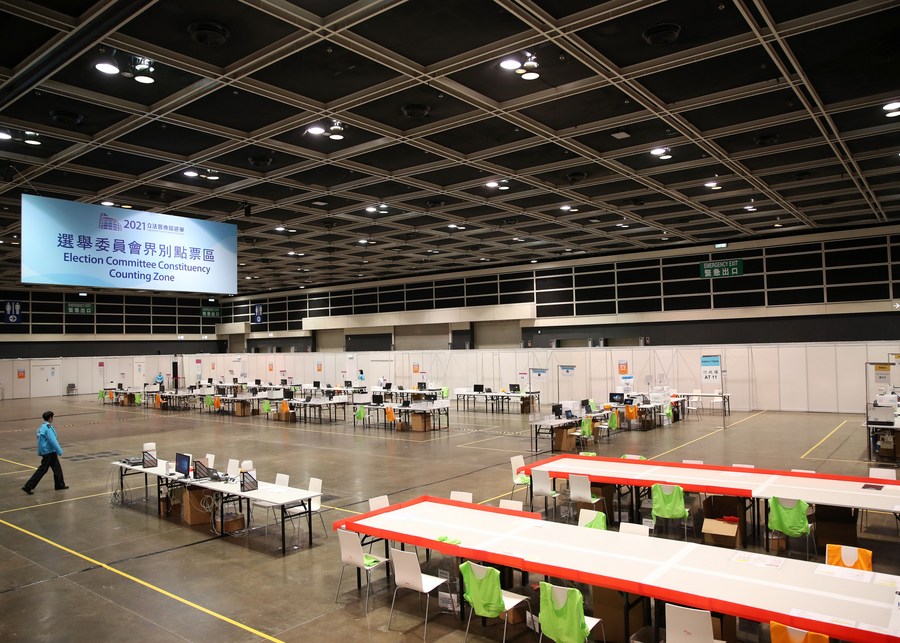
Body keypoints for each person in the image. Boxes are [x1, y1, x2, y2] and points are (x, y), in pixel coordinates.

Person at [22, 411, 68, 494]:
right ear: (50, 418)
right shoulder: (48, 428)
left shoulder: (42, 427)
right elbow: (52, 440)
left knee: (57, 468)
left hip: (46, 451)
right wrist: (59, 451)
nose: (53, 418)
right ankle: (28, 486)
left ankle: (59, 485)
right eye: (53, 417)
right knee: (43, 469)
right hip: (49, 452)